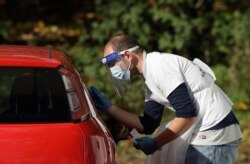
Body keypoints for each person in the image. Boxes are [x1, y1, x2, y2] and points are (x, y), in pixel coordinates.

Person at [89, 34, 243, 164]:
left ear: (128, 56)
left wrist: (156, 143)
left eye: (112, 63)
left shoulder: (159, 67)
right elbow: (148, 124)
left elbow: (187, 115)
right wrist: (109, 108)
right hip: (207, 134)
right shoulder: (149, 76)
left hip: (214, 134)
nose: (111, 69)